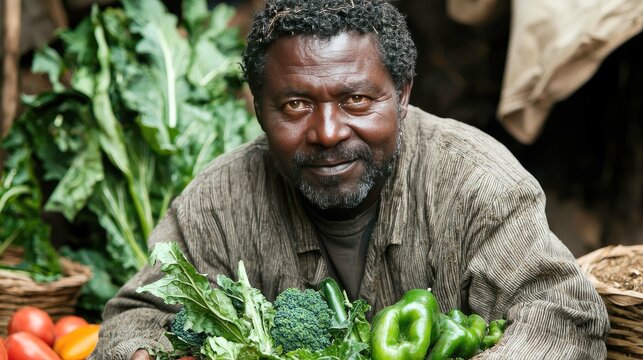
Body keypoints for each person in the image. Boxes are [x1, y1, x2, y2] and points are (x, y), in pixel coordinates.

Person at [91, 1, 610, 359]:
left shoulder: (474, 181)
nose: (328, 132)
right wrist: (144, 349)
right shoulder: (220, 200)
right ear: (257, 108)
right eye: (295, 104)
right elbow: (134, 315)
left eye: (356, 100)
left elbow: (563, 313)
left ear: (402, 93)